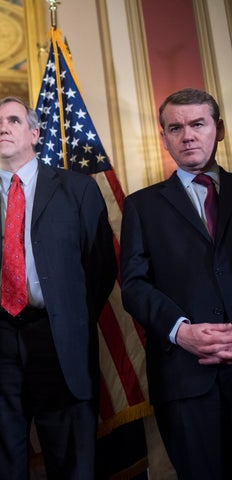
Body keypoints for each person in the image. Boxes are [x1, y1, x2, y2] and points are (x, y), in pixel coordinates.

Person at [0, 96, 116, 479]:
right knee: (1, 464)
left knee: (71, 462)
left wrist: (67, 316)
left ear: (34, 133)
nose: (3, 127)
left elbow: (100, 267)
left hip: (58, 343)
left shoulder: (77, 190)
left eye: (13, 120)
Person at [120, 88, 232, 479]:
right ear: (163, 136)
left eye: (197, 124)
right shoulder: (140, 206)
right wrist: (180, 332)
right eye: (175, 127)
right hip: (185, 380)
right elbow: (133, 286)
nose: (187, 135)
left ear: (218, 130)